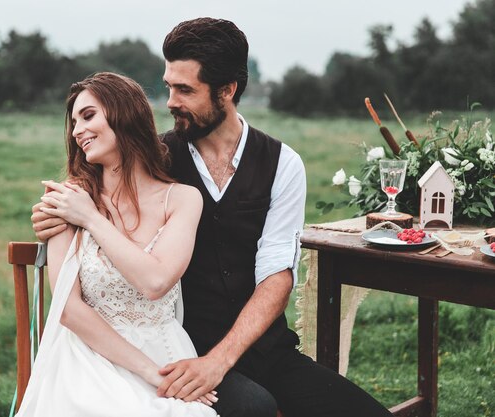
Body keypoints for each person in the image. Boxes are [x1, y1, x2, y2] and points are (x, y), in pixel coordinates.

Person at [33, 18, 393, 417]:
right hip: (184, 345)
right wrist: (53, 216)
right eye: (169, 86)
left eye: (185, 90)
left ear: (227, 90)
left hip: (263, 348)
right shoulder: (154, 159)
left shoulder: (282, 164)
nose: (170, 102)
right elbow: (103, 192)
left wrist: (220, 361)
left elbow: (276, 275)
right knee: (253, 408)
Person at [16, 72, 218, 417]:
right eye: (74, 122)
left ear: (125, 114)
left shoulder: (183, 199)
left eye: (89, 115)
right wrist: (147, 373)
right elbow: (67, 309)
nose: (78, 130)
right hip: (88, 358)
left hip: (166, 351)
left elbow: (155, 282)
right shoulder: (67, 199)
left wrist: (91, 220)